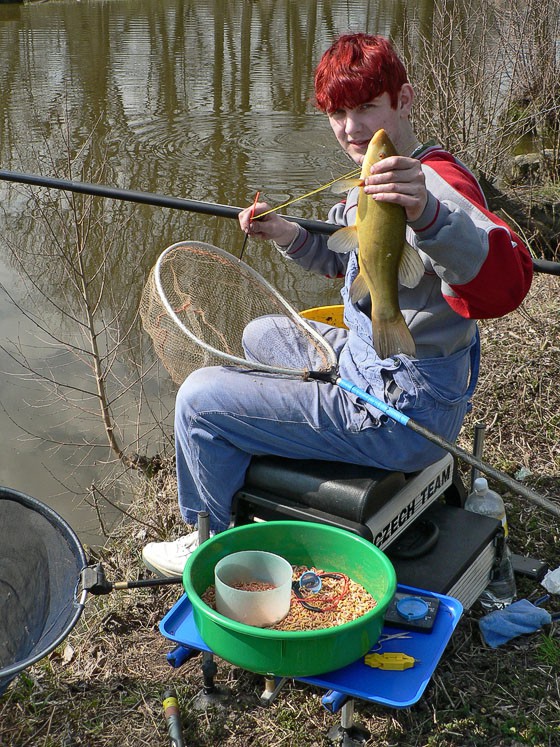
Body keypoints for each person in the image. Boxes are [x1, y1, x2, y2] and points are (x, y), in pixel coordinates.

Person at [142, 33, 533, 576]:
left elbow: (507, 285)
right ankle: (270, 431)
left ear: (405, 99)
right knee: (261, 333)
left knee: (199, 399)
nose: (351, 129)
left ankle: (208, 538)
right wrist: (285, 234)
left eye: (367, 106)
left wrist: (430, 216)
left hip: (403, 413)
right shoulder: (370, 178)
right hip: (368, 361)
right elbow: (349, 264)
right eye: (338, 113)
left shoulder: (436, 184)